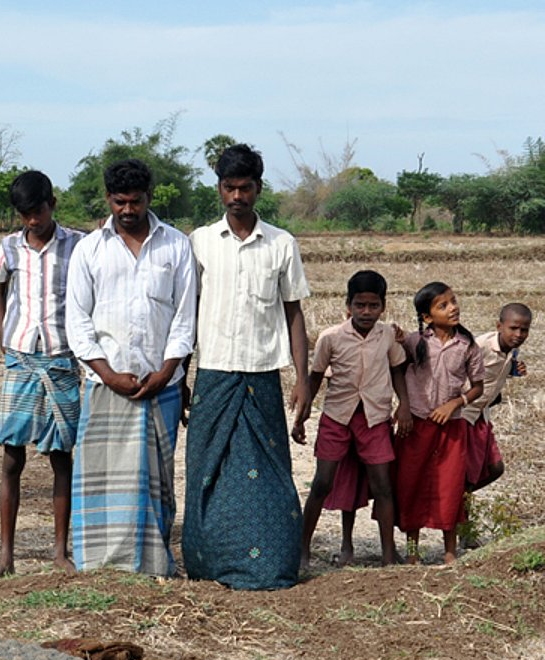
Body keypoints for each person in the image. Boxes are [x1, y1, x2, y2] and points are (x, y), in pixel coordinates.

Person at [183, 143, 310, 590]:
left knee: (269, 469)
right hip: (213, 373)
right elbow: (186, 314)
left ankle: (271, 562)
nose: (237, 196)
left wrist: (304, 379)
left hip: (262, 376)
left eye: (245, 188)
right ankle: (207, 562)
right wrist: (181, 374)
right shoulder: (199, 242)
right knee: (206, 469)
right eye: (229, 187)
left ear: (259, 189)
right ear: (219, 189)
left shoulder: (282, 244)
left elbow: (294, 314)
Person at [65, 160, 197, 575]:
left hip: (164, 385)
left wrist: (165, 371)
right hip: (105, 386)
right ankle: (101, 566)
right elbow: (78, 322)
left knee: (156, 483)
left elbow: (185, 318)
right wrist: (107, 374)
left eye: (135, 201)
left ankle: (154, 563)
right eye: (119, 201)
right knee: (102, 481)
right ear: (108, 199)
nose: (127, 210)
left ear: (149, 198)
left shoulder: (176, 246)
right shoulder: (89, 250)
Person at [0, 170, 85, 577]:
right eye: (25, 213)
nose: (33, 220)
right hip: (21, 359)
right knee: (12, 458)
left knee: (62, 459)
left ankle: (60, 551)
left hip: (63, 359)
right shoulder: (9, 248)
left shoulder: (79, 245)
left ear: (53, 204)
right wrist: (3, 336)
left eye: (39, 210)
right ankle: (6, 556)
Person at [291, 270, 411, 569]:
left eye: (373, 305)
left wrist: (404, 405)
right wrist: (301, 418)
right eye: (360, 305)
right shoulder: (330, 338)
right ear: (348, 305)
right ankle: (302, 550)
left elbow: (397, 370)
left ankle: (386, 556)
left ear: (383, 306)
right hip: (337, 417)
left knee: (382, 486)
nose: (366, 312)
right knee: (321, 483)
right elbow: (315, 378)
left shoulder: (387, 336)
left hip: (376, 418)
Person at [395, 282, 484, 564]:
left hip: (452, 428)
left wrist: (455, 403)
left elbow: (477, 387)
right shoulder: (414, 342)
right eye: (443, 305)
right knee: (411, 485)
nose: (453, 307)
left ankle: (449, 552)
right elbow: (395, 367)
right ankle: (412, 552)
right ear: (427, 317)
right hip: (416, 426)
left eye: (454, 301)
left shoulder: (468, 345)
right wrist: (403, 408)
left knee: (450, 487)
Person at [461, 302, 532, 493]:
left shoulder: (514, 350)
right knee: (462, 471)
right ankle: (455, 507)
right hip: (462, 415)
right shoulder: (480, 346)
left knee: (495, 468)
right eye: (513, 328)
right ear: (499, 326)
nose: (518, 335)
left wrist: (513, 371)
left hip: (480, 416)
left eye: (524, 330)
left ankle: (458, 501)